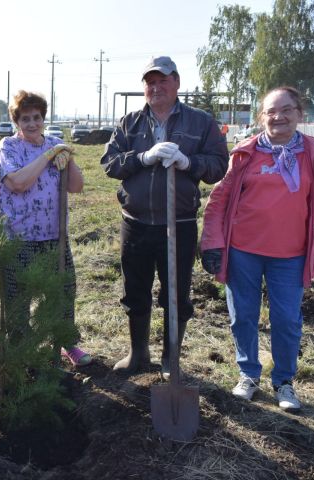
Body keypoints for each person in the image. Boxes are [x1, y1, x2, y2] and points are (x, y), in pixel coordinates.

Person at [200, 86, 314, 411]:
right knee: (242, 315)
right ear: (262, 117)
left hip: (291, 255)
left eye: (287, 109)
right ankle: (248, 374)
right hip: (243, 251)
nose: (279, 117)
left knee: (287, 319)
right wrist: (212, 243)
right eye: (272, 111)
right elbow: (218, 201)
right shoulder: (245, 154)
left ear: (300, 114)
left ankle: (284, 382)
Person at [100, 56, 229, 377]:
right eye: (150, 82)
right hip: (136, 222)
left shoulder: (200, 122)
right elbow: (109, 163)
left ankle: (171, 359)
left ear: (177, 83)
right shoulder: (130, 123)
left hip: (179, 224)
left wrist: (189, 162)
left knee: (176, 292)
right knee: (136, 290)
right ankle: (138, 354)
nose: (156, 87)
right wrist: (143, 157)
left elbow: (218, 165)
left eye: (163, 81)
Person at [0, 90, 91, 367]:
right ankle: (21, 348)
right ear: (17, 121)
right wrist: (48, 155)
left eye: (36, 117)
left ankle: (65, 342)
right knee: (19, 295)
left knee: (63, 290)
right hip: (19, 235)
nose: (32, 123)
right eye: (25, 118)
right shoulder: (9, 146)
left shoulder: (56, 143)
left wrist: (68, 158)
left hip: (55, 235)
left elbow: (76, 187)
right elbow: (17, 182)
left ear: (43, 118)